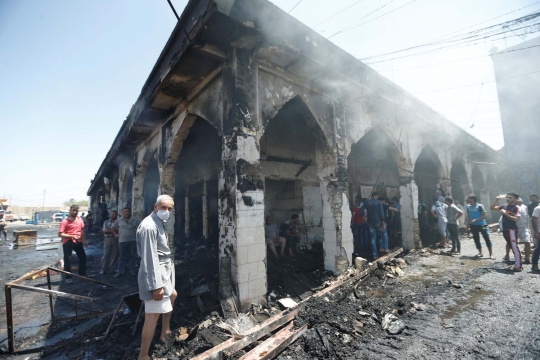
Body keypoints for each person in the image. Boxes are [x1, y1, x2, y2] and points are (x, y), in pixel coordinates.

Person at [136, 195, 177, 360]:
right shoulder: (148, 227)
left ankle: (165, 331)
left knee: (173, 295)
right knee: (152, 316)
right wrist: (156, 286)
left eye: (170, 209)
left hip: (164, 269)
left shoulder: (159, 222)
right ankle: (143, 355)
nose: (166, 211)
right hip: (155, 272)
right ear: (155, 207)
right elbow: (149, 258)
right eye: (163, 207)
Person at [491, 193, 522, 271]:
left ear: (515, 199)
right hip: (505, 229)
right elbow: (492, 208)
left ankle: (518, 266)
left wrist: (505, 213)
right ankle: (517, 264)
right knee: (511, 246)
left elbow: (515, 219)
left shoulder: (516, 207)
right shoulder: (504, 205)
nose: (508, 199)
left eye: (510, 198)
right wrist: (496, 200)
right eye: (507, 197)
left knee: (514, 247)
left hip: (512, 229)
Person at [58, 205, 88, 283]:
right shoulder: (65, 222)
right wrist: (72, 236)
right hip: (68, 242)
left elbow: (82, 230)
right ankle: (68, 277)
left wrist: (84, 240)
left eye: (76, 211)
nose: (75, 212)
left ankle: (82, 274)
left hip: (78, 241)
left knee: (83, 257)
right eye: (73, 210)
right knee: (68, 260)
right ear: (70, 210)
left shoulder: (80, 219)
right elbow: (60, 234)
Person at [113, 207, 141, 277]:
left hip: (132, 241)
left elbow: (142, 226)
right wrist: (115, 234)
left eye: (128, 211)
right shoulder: (119, 220)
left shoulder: (135, 220)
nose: (126, 213)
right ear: (122, 212)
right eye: (125, 211)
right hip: (122, 241)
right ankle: (120, 271)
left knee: (132, 256)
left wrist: (138, 231)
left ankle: (132, 270)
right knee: (122, 256)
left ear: (130, 212)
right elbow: (113, 228)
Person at [366, 192, 387, 259]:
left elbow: (360, 211)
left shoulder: (367, 202)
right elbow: (381, 213)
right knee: (382, 234)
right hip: (378, 223)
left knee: (373, 239)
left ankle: (375, 255)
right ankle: (382, 248)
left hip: (370, 223)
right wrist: (383, 223)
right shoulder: (378, 202)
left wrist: (365, 218)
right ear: (376, 196)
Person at [101, 210, 119, 275]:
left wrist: (110, 230)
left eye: (113, 214)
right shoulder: (106, 222)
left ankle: (112, 269)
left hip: (115, 239)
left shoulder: (119, 222)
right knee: (106, 254)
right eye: (111, 214)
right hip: (107, 239)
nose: (111, 216)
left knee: (115, 254)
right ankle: (103, 269)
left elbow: (120, 230)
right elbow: (104, 231)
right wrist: (113, 231)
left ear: (116, 215)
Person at [516, 198, 532, 264]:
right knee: (511, 243)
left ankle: (527, 258)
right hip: (514, 227)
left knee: (527, 242)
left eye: (520, 202)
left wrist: (528, 228)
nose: (520, 204)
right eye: (518, 202)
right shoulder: (511, 207)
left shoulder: (524, 207)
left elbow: (527, 217)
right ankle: (507, 255)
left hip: (524, 227)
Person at [530, 203, 540, 271]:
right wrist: (536, 232)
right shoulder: (538, 209)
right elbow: (533, 220)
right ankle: (534, 264)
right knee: (539, 248)